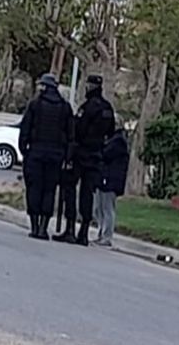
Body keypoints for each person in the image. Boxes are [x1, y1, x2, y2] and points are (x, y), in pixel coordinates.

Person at [53, 74, 115, 246]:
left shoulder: (87, 108)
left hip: (81, 154)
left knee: (70, 189)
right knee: (88, 193)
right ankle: (84, 233)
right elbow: (110, 132)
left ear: (89, 86)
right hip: (96, 156)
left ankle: (71, 228)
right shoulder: (107, 108)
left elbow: (77, 131)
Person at [18, 73, 75, 240]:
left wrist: (25, 151)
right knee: (49, 190)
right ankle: (43, 227)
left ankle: (35, 226)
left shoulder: (35, 105)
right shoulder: (65, 107)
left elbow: (25, 130)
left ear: (44, 87)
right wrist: (67, 158)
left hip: (36, 152)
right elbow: (71, 136)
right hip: (56, 155)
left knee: (34, 188)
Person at [93, 113, 129, 247]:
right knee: (98, 208)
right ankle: (101, 233)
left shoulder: (118, 141)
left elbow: (105, 154)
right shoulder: (111, 138)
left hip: (111, 179)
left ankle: (106, 236)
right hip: (103, 177)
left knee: (107, 208)